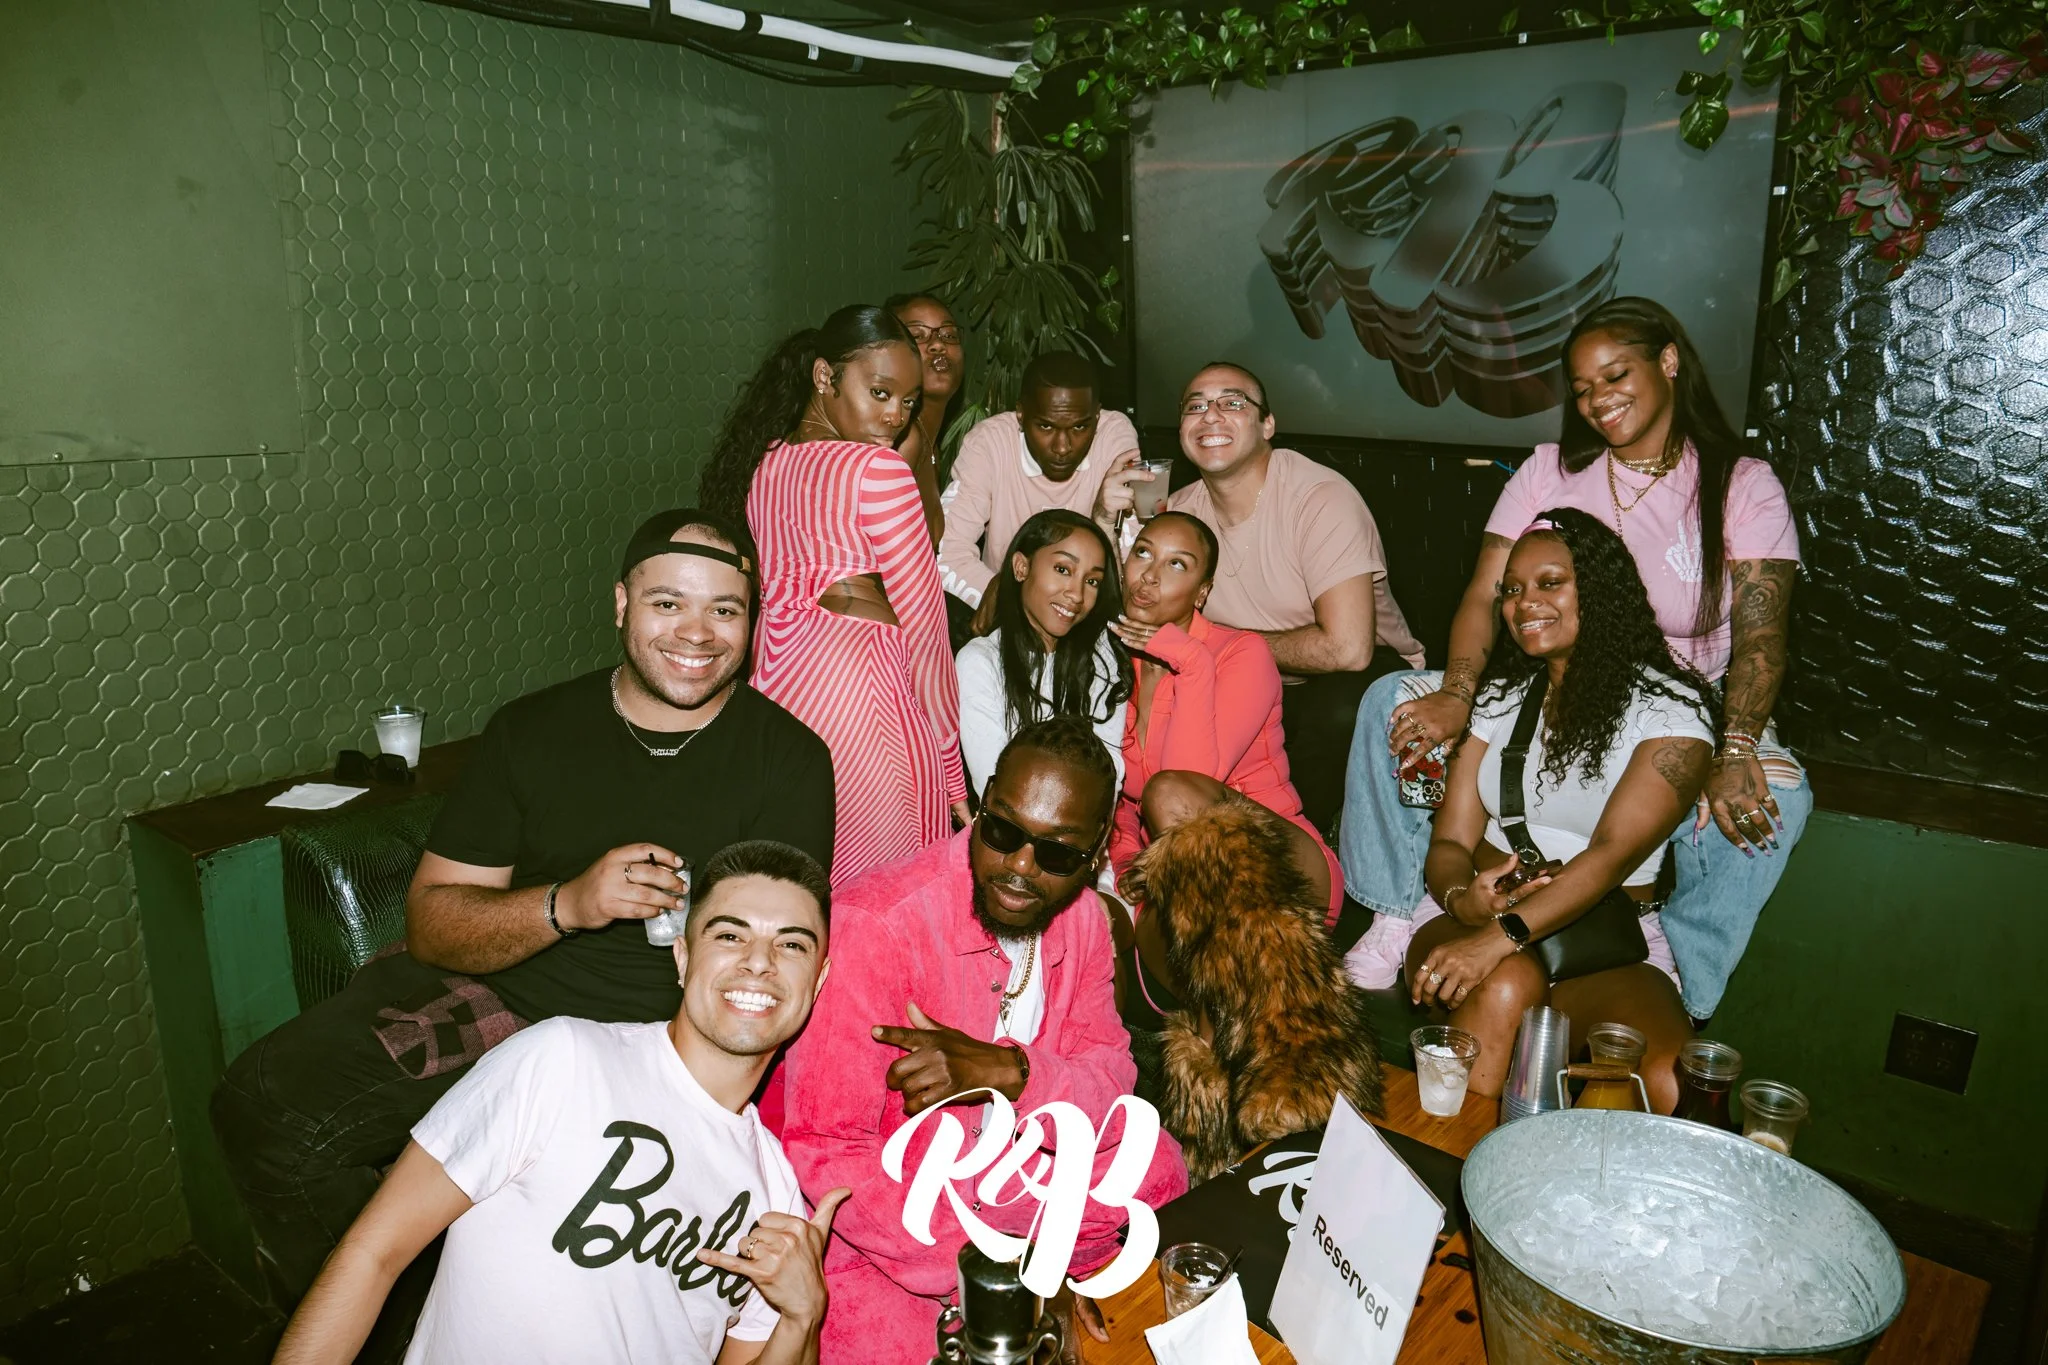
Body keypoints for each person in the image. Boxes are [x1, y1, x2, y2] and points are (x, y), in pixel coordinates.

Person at [212, 509, 836, 1317]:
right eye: (668, 602)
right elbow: (435, 921)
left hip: (657, 1043)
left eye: (725, 609)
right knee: (263, 1106)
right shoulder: (533, 729)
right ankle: (404, 1328)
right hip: (501, 1002)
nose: (697, 632)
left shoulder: (788, 759)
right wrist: (568, 902)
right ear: (621, 603)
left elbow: (774, 957)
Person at [1343, 297, 1806, 1022]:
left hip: (1689, 704)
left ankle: (1682, 970)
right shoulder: (1548, 470)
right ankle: (1402, 909)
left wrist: (1738, 742)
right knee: (1390, 700)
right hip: (1542, 684)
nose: (1597, 400)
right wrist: (1459, 693)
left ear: (1669, 361)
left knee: (1779, 800)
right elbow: (1485, 592)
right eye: (1583, 388)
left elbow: (1762, 636)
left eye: (1615, 375)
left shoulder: (1740, 483)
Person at [271, 841, 845, 1365]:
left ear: (817, 982)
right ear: (682, 957)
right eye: (729, 936)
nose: (759, 961)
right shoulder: (563, 1060)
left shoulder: (777, 1196)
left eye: (791, 944)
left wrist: (802, 1315)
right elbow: (372, 1252)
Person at [778, 719, 1189, 1364]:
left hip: (1014, 1165)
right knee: (882, 1343)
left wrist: (1010, 1072)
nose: (1020, 868)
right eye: (1002, 832)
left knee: (1158, 1165)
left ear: (1095, 855)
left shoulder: (1084, 919)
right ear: (985, 799)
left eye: (1057, 854)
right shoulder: (876, 926)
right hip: (904, 1206)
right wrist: (1005, 1273)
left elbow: (1111, 1082)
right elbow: (828, 1148)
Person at [1399, 509, 1715, 1113]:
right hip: (1474, 918)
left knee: (1666, 1077)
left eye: (1550, 583)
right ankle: (1456, 1155)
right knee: (1506, 984)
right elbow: (1450, 843)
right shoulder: (1501, 697)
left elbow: (1610, 856)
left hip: (1600, 937)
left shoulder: (1672, 712)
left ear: (1597, 590)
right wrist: (1464, 900)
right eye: (1511, 590)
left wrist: (1501, 937)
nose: (1524, 603)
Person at [700, 303, 968, 884]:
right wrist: (951, 764)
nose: (895, 416)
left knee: (811, 884)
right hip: (861, 692)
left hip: (780, 692)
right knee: (896, 889)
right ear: (825, 376)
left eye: (909, 402)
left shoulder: (765, 465)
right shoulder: (879, 471)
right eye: (880, 392)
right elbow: (925, 628)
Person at [1098, 361, 1424, 836]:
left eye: (1232, 403)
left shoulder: (1319, 498)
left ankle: (1312, 842)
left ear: (1267, 424)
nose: (1211, 415)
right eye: (1195, 406)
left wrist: (1230, 651)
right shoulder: (1181, 511)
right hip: (1239, 681)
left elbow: (1348, 649)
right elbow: (1133, 612)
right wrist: (1104, 520)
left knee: (1338, 708)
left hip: (1361, 679)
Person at [1108, 512, 1345, 924]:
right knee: (1134, 930)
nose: (1149, 576)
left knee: (1169, 792)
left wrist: (1192, 660)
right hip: (1177, 878)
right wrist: (1128, 856)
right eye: (1143, 553)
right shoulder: (1112, 660)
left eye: (1176, 563)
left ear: (1202, 593)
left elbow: (1188, 788)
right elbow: (1118, 796)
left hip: (1283, 865)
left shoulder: (1241, 653)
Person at [937, 351, 1142, 640]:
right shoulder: (990, 443)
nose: (1062, 447)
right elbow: (947, 554)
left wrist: (1104, 521)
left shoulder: (1113, 437)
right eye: (1046, 426)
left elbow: (1135, 576)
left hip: (1087, 623)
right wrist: (1008, 597)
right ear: (1021, 414)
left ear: (1097, 417)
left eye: (1080, 427)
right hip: (1005, 627)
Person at [954, 509, 1131, 796]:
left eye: (1092, 581)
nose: (1077, 594)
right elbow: (993, 783)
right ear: (1021, 567)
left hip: (1086, 818)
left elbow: (1109, 774)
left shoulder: (1100, 657)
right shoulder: (980, 661)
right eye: (1063, 570)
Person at [888, 292, 965, 547]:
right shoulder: (902, 442)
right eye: (917, 336)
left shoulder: (930, 447)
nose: (938, 345)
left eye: (949, 335)